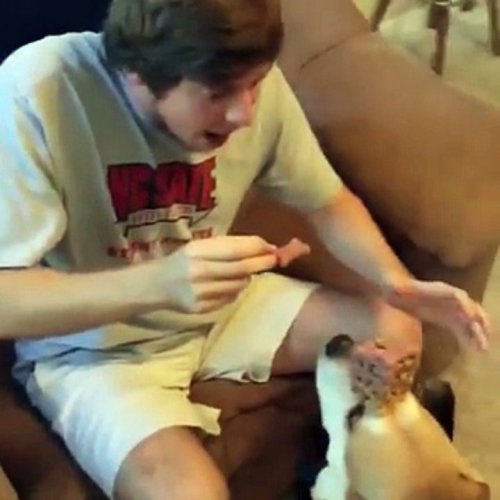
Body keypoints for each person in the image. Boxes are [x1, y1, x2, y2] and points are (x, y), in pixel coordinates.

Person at [0, 0, 490, 499]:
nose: (244, 113)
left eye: (255, 83)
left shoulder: (250, 87)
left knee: (394, 329)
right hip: (94, 350)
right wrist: (159, 284)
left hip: (218, 305)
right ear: (137, 74)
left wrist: (396, 282)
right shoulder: (38, 90)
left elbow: (326, 201)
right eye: (218, 94)